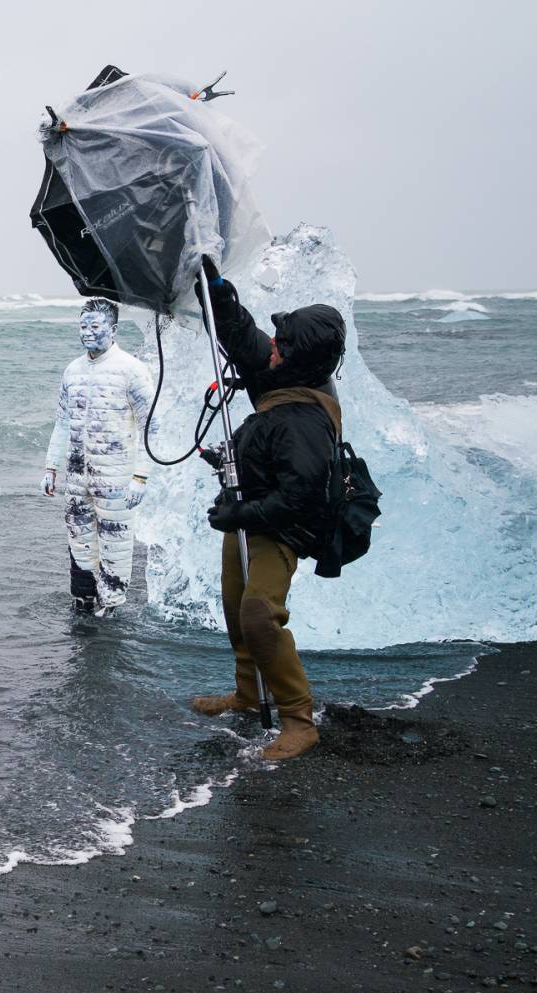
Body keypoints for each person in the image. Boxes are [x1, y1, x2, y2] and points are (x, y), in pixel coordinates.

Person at [190, 263, 347, 761]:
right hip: (249, 510)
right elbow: (242, 335)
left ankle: (299, 721)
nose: (272, 346)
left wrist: (240, 515)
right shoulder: (283, 368)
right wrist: (216, 291)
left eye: (282, 343)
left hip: (280, 527)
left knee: (259, 614)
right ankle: (246, 695)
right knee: (236, 607)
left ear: (300, 357)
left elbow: (299, 498)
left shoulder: (306, 418)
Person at [44, 298, 153, 613]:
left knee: (115, 545)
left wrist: (140, 477)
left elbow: (151, 427)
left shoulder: (131, 370)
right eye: (83, 326)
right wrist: (51, 468)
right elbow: (62, 423)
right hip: (78, 478)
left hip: (116, 478)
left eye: (95, 326)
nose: (88, 332)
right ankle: (82, 604)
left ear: (113, 328)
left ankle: (112, 611)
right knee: (79, 541)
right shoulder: (73, 370)